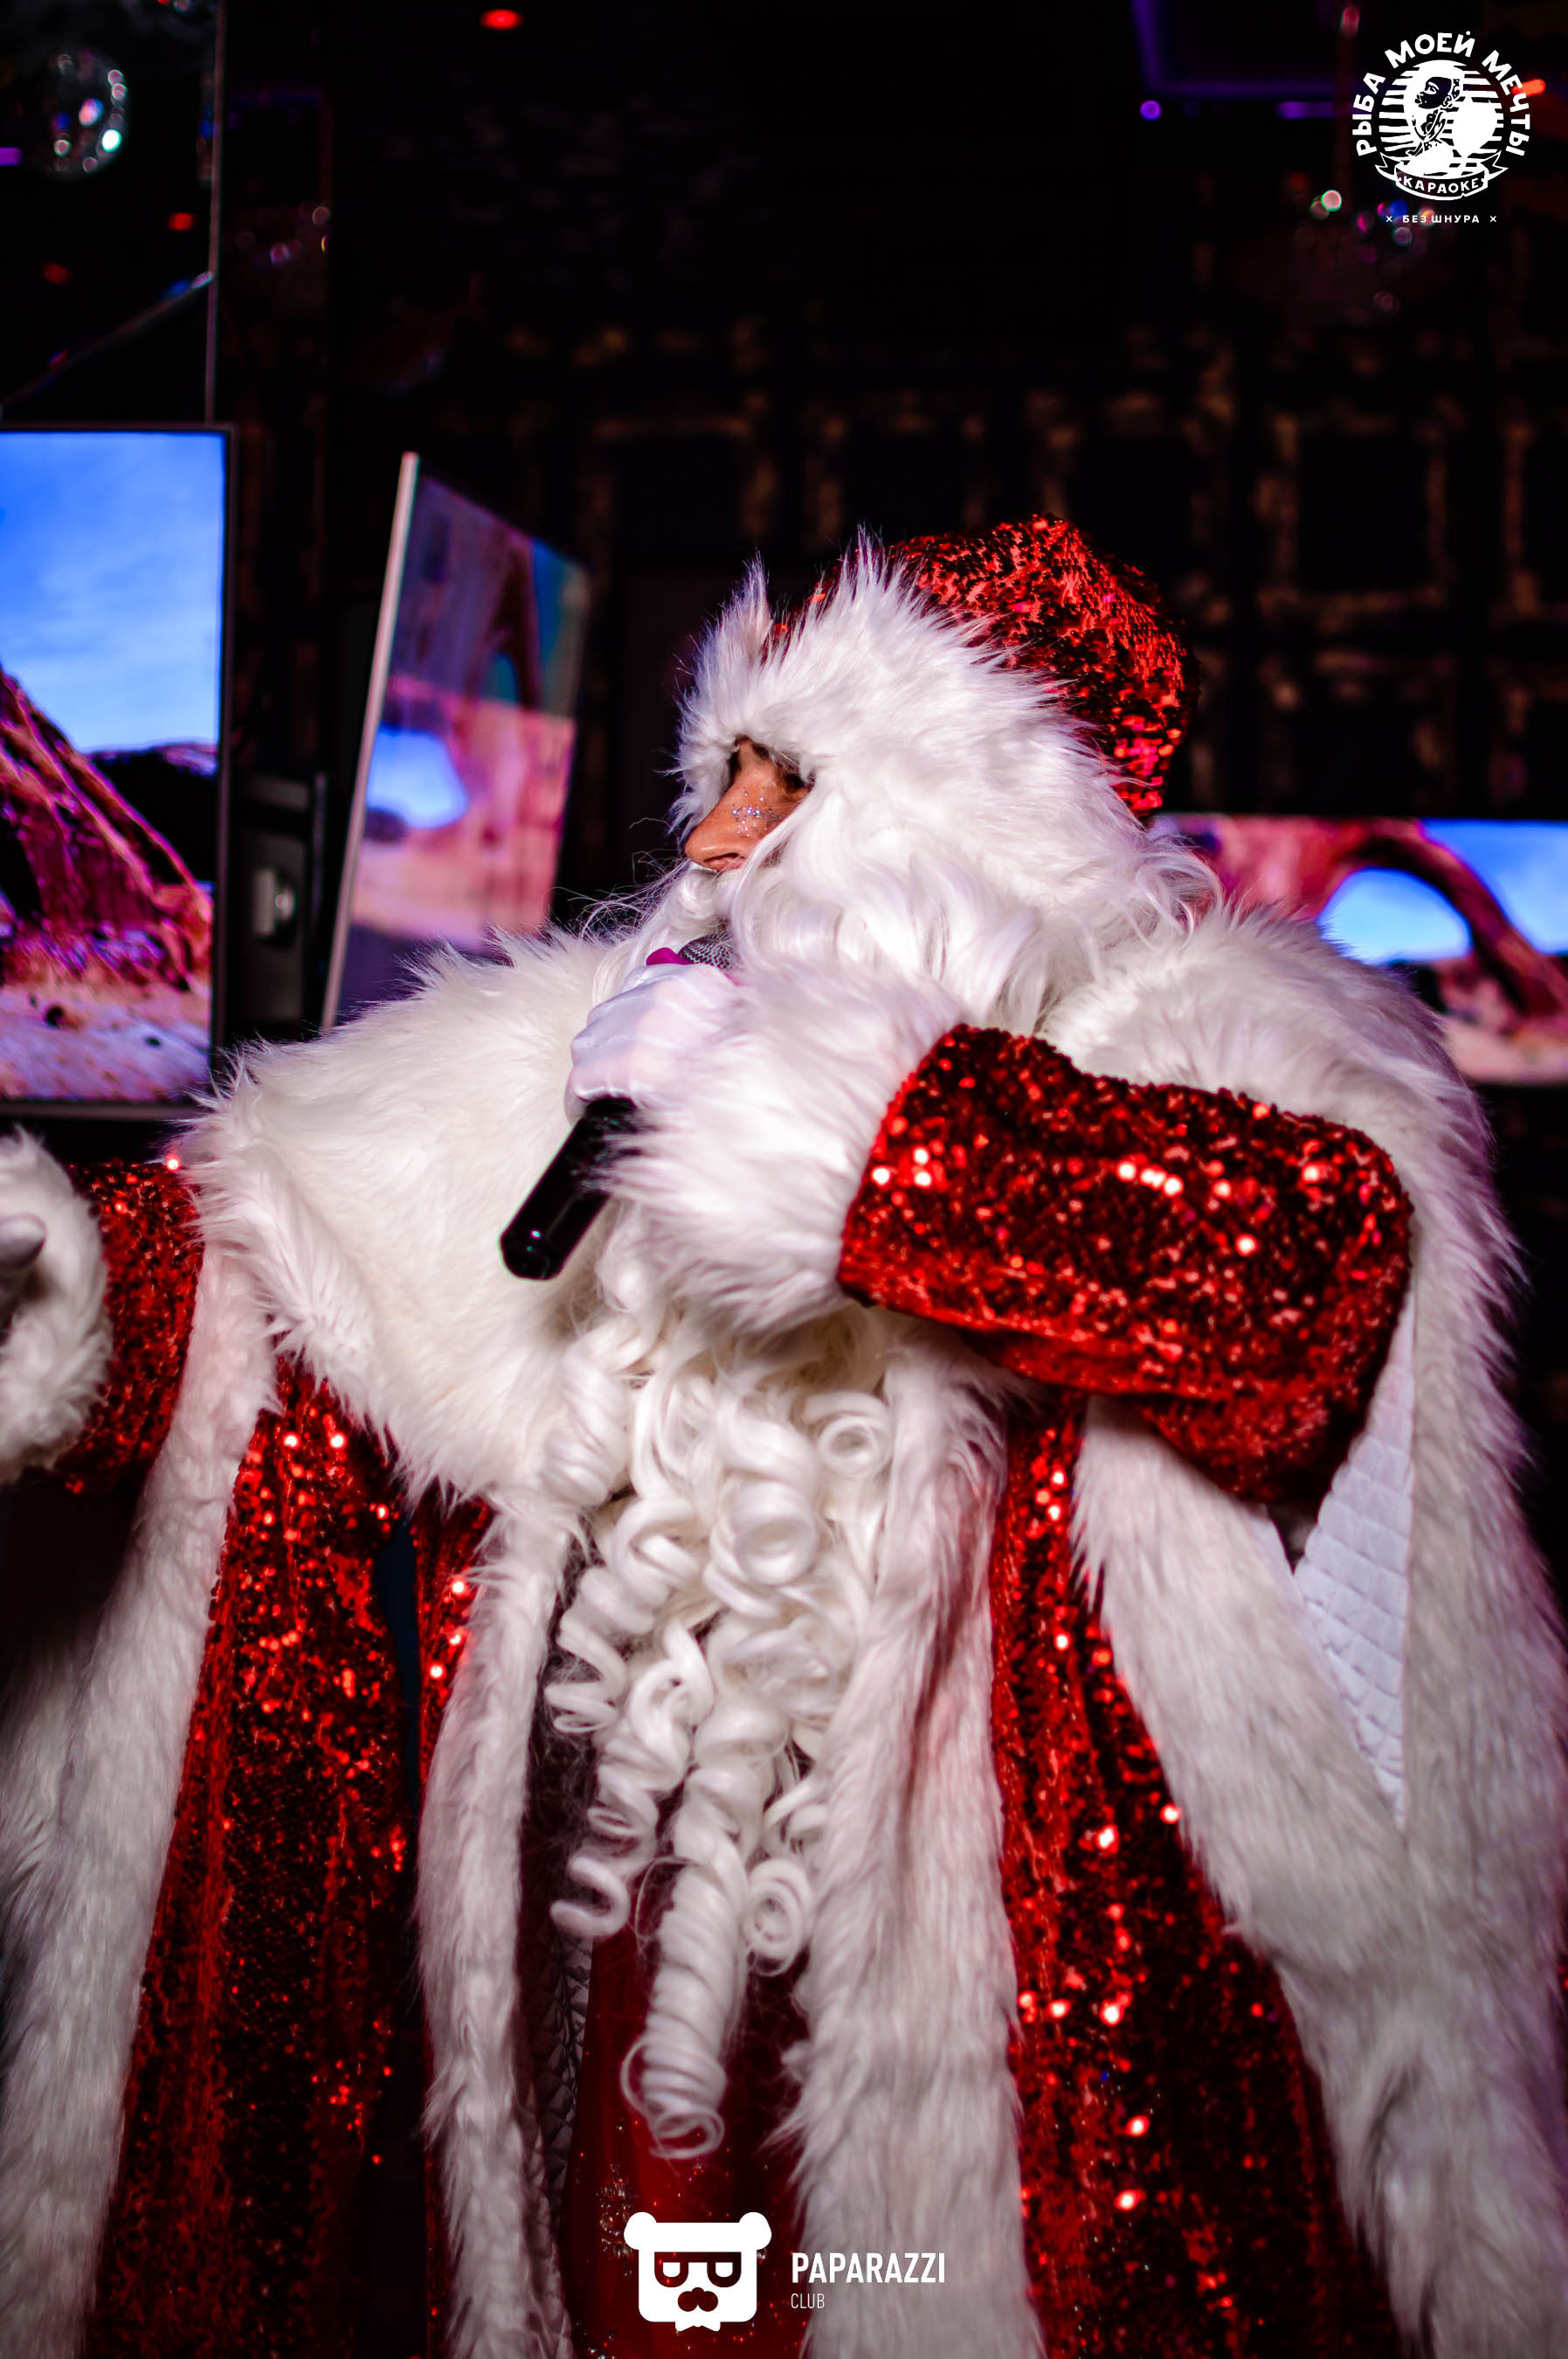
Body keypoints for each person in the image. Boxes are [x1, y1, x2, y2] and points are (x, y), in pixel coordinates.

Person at [0, 518, 1565, 2359]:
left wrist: (856, 1144)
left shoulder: (1224, 1057)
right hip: (612, 1964)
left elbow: (1293, 1281)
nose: (718, 839)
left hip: (1045, 2020)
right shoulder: (591, 1048)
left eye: (789, 780)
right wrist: (68, 1279)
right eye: (721, 773)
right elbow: (278, 1245)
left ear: (972, 820)